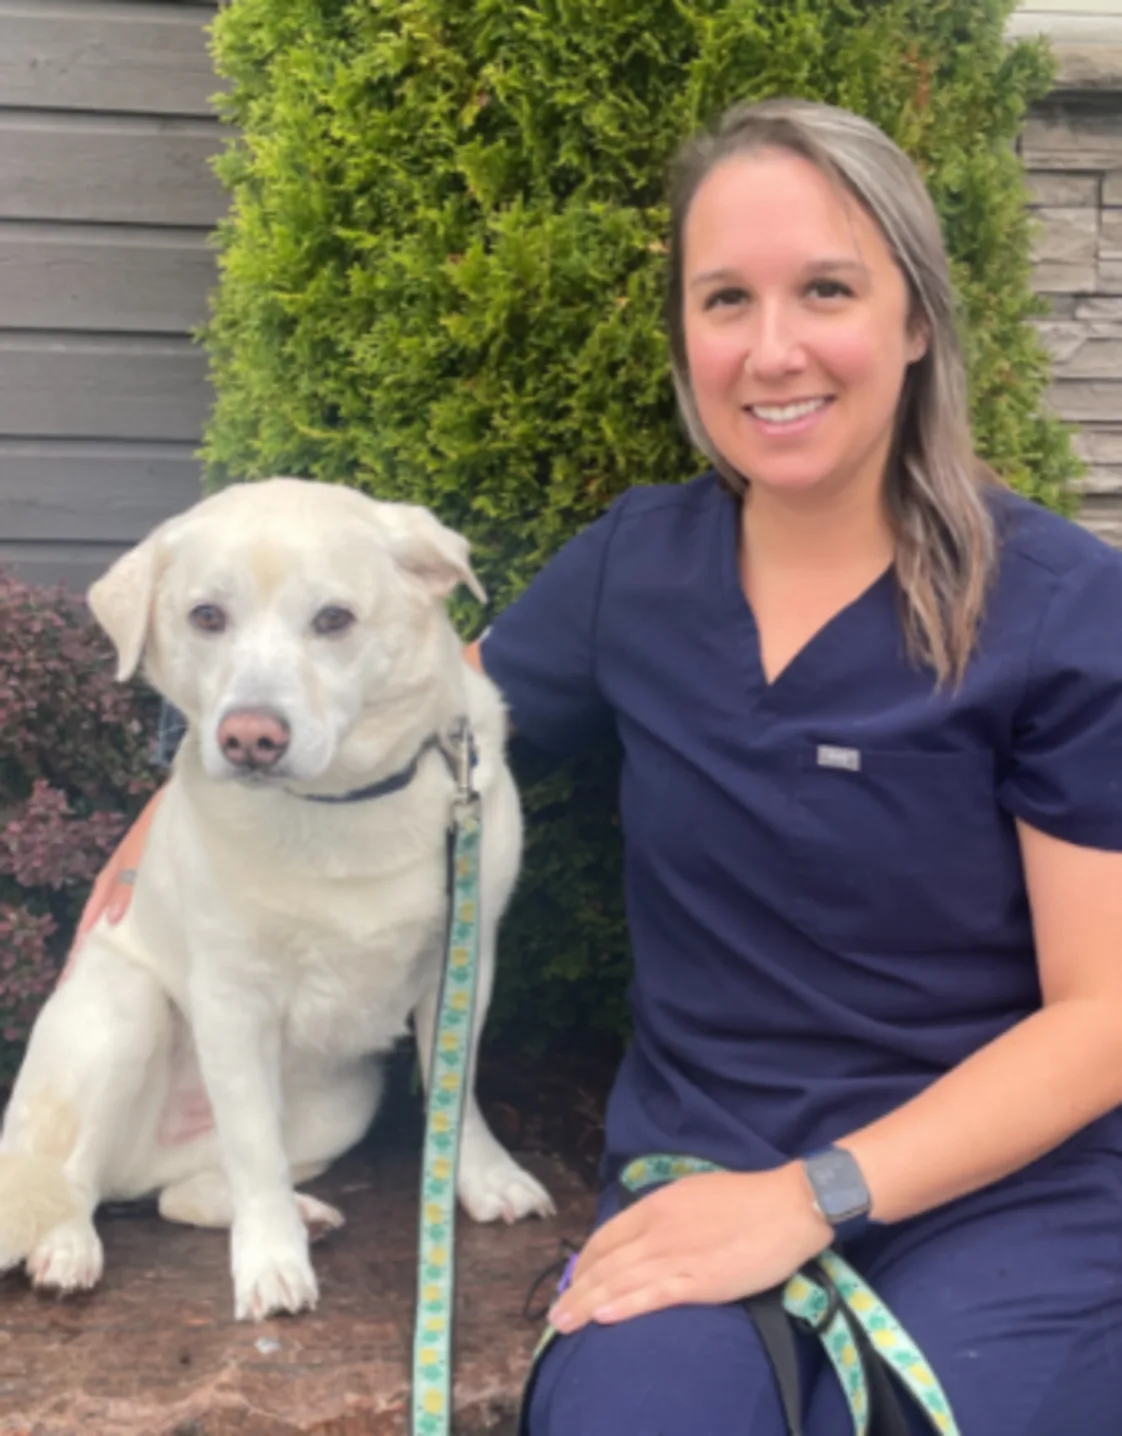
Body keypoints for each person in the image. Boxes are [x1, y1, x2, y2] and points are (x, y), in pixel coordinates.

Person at [75, 98, 1122, 1433]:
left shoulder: (1060, 610)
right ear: (685, 337)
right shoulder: (635, 569)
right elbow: (410, 714)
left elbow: (1099, 1018)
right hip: (696, 1173)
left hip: (1002, 1195)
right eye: (723, 299)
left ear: (914, 320)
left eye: (825, 289)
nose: (772, 348)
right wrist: (165, 834)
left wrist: (810, 1201)